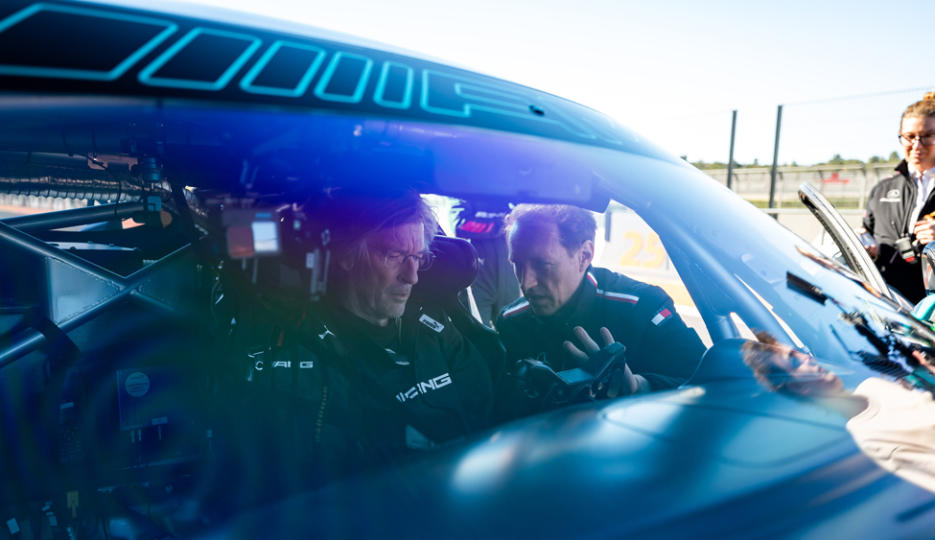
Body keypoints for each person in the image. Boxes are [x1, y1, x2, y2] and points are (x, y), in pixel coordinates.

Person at [274, 190, 494, 481]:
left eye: (417, 258)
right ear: (346, 255)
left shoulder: (435, 326)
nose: (412, 276)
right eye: (395, 255)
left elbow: (487, 421)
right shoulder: (306, 355)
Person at [494, 204, 704, 414]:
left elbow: (709, 384)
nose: (526, 282)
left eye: (542, 265)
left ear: (584, 255)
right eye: (517, 264)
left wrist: (640, 387)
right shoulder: (511, 322)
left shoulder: (642, 308)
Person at [741, 333, 935, 494]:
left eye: (799, 352)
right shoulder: (872, 440)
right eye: (794, 360)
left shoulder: (873, 385)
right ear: (798, 387)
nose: (806, 357)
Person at [861, 92, 935, 303]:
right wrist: (866, 244)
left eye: (927, 136)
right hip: (887, 303)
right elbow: (867, 231)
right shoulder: (882, 189)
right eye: (910, 136)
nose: (917, 145)